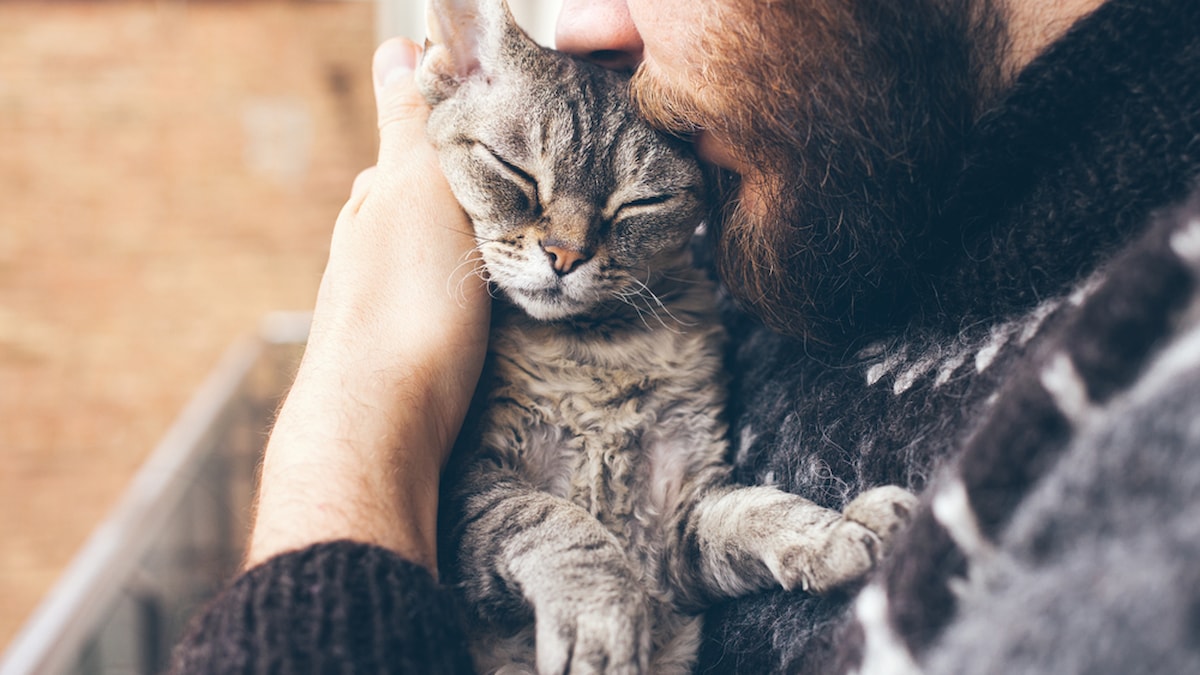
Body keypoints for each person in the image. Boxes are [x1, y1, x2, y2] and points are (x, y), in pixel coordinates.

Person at [170, 0, 1200, 672]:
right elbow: (669, 527)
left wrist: (346, 432)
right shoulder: (804, 190)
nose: (580, 24)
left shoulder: (1153, 456)